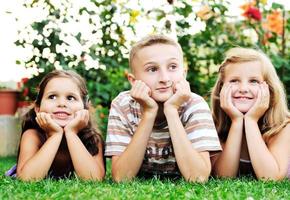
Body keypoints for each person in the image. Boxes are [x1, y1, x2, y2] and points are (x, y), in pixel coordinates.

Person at [105, 34, 222, 182]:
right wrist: (149, 113)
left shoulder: (194, 105)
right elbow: (121, 178)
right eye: (152, 69)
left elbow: (198, 178)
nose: (164, 78)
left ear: (183, 74)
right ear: (133, 81)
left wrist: (172, 110)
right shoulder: (122, 105)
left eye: (172, 67)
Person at [5, 70, 105, 181]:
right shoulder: (33, 136)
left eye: (70, 98)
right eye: (52, 97)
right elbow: (27, 179)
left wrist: (71, 133)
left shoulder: (92, 138)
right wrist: (55, 135)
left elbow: (93, 179)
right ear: (38, 109)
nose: (61, 103)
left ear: (84, 108)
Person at [211, 47, 290, 180]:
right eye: (234, 81)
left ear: (269, 89)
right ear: (221, 88)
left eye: (253, 81)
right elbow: (223, 177)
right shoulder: (215, 123)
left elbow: (271, 178)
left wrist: (251, 121)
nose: (243, 89)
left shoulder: (283, 125)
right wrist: (237, 121)